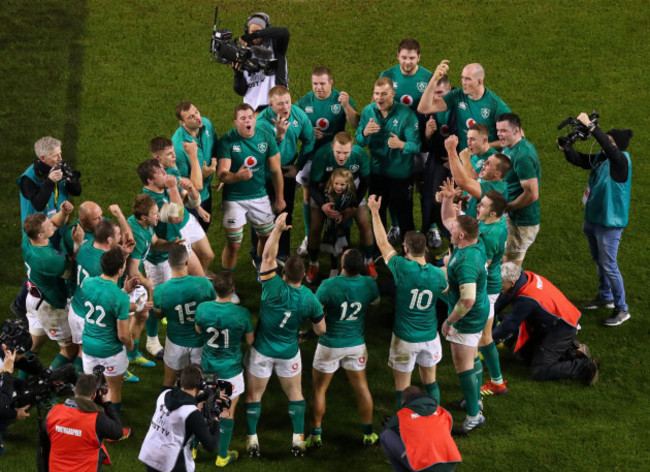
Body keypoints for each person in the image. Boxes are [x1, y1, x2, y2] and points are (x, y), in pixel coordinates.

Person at [243, 213, 325, 457]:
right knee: (295, 395)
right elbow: (321, 330)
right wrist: (306, 335)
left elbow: (267, 256)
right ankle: (298, 440)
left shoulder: (272, 286)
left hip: (262, 351)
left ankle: (252, 441)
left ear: (283, 273)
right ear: (302, 276)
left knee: (253, 395)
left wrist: (277, 229)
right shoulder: (310, 298)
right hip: (289, 352)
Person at [368, 195, 447, 408]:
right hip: (430, 336)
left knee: (401, 387)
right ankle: (434, 418)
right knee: (430, 381)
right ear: (426, 249)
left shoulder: (401, 268)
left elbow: (382, 243)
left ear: (405, 248)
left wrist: (375, 211)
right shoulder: (438, 275)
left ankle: (403, 425)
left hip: (405, 338)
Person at [559, 114, 632, 327]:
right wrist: (567, 149)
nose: (604, 145)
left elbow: (610, 150)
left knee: (609, 265)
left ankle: (622, 309)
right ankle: (605, 296)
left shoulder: (621, 161)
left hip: (610, 223)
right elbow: (581, 161)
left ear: (617, 146)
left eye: (609, 141)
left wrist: (592, 128)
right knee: (599, 260)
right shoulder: (603, 157)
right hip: (594, 218)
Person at [305, 248, 380, 448]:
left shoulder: (328, 285)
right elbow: (374, 304)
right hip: (356, 344)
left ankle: (316, 435)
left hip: (329, 345)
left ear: (342, 265)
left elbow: (316, 314)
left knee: (319, 389)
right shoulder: (369, 284)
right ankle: (368, 433)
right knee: (362, 388)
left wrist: (309, 333)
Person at [493, 262, 600, 385]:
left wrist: (483, 342)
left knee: (540, 371)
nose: (498, 286)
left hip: (560, 329)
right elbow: (501, 301)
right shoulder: (525, 278)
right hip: (554, 321)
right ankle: (571, 350)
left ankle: (585, 366)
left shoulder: (527, 298)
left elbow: (509, 326)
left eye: (500, 283)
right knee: (523, 355)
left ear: (512, 283)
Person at [440, 183, 490, 433]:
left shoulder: (467, 262)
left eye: (453, 230)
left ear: (461, 236)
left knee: (463, 365)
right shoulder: (473, 241)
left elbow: (467, 299)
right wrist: (449, 198)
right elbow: (450, 217)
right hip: (479, 310)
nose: (449, 230)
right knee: (471, 358)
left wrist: (450, 321)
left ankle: (473, 415)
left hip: (467, 318)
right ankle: (475, 400)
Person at [296, 65, 360, 255]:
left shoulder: (340, 99)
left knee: (341, 192)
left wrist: (347, 106)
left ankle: (339, 233)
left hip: (336, 156)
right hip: (312, 156)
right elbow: (295, 129)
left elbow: (356, 123)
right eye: (315, 83)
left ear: (331, 82)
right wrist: (307, 132)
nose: (319, 88)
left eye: (322, 83)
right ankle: (309, 236)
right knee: (308, 195)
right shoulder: (304, 102)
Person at [217, 103, 285, 277]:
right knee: (234, 244)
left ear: (254, 119)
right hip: (234, 198)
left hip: (259, 196)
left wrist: (279, 198)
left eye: (250, 117)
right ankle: (227, 283)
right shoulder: (227, 141)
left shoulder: (266, 137)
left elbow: (276, 170)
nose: (247, 121)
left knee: (266, 238)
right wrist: (237, 177)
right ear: (236, 122)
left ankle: (261, 268)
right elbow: (222, 175)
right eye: (243, 118)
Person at [195, 272, 254, 467]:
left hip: (209, 368)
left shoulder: (203, 309)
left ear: (215, 290)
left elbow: (198, 330)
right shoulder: (242, 313)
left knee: (203, 406)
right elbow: (250, 340)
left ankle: (194, 448)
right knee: (227, 411)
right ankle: (222, 456)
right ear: (233, 289)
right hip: (230, 371)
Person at [254, 85, 316, 262]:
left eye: (287, 102)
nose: (286, 107)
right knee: (264, 216)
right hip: (265, 174)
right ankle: (259, 257)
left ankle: (282, 252)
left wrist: (298, 166)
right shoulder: (262, 124)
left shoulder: (298, 115)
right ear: (271, 105)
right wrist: (279, 137)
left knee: (285, 212)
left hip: (288, 170)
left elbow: (309, 141)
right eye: (280, 104)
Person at [356, 78, 421, 237]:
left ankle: (410, 253)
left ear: (393, 94)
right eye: (376, 94)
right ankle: (379, 252)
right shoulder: (368, 111)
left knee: (405, 217)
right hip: (377, 174)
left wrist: (402, 145)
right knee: (377, 214)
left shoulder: (406, 115)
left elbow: (417, 145)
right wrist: (365, 133)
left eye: (384, 94)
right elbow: (359, 140)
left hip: (401, 176)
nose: (379, 98)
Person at [306, 132, 374, 282]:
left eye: (345, 153)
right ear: (332, 147)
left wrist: (354, 205)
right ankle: (313, 263)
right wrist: (323, 205)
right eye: (338, 152)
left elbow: (365, 181)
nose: (342, 157)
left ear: (352, 148)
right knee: (316, 226)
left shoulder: (360, 154)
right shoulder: (322, 155)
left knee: (364, 224)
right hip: (325, 188)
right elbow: (313, 185)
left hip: (351, 188)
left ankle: (369, 261)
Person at [79, 248, 134, 418]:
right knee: (114, 389)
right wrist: (131, 345)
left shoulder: (87, 284)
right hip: (111, 351)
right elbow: (123, 335)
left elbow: (103, 298)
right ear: (120, 270)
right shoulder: (120, 297)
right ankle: (114, 427)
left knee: (89, 388)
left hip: (88, 346)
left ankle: (86, 421)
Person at [22, 209, 80, 369]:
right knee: (70, 350)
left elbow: (55, 221)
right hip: (50, 307)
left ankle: (23, 386)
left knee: (33, 347)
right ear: (40, 235)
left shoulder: (27, 240)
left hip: (33, 298)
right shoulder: (48, 259)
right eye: (48, 225)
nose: (52, 224)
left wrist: (63, 212)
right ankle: (49, 386)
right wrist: (77, 244)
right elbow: (71, 271)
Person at [153, 245, 216, 390]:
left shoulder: (161, 291)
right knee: (207, 378)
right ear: (187, 262)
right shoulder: (204, 284)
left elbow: (158, 315)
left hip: (175, 342)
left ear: (169, 263)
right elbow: (213, 309)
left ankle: (167, 409)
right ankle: (206, 408)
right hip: (201, 342)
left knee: (169, 381)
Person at [139, 364, 222, 472]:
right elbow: (211, 445)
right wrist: (216, 422)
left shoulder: (164, 395)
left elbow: (183, 401)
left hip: (150, 452)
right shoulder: (192, 414)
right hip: (171, 462)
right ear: (201, 385)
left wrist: (205, 395)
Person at [418, 61, 511, 150]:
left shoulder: (495, 105)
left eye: (468, 79)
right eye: (462, 78)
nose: (463, 82)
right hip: (465, 160)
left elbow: (514, 138)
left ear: (479, 82)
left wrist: (484, 147)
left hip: (486, 162)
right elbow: (423, 108)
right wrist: (434, 79)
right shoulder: (457, 95)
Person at [40, 374, 124, 472]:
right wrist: (107, 404)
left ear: (75, 389)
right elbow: (118, 433)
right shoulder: (97, 419)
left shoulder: (53, 412)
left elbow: (43, 448)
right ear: (93, 396)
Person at [474, 191, 510, 396]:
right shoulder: (493, 224)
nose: (479, 206)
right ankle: (497, 381)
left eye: (484, 205)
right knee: (483, 336)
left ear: (494, 213)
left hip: (486, 288)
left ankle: (495, 383)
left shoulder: (489, 236)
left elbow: (481, 268)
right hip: (490, 286)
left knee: (482, 338)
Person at [380, 386, 461, 472]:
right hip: (450, 462)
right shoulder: (443, 412)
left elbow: (385, 430)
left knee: (386, 435)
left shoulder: (402, 415)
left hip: (423, 467)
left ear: (404, 402)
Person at [496, 113, 541, 266]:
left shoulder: (522, 155)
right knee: (505, 260)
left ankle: (513, 290)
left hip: (522, 220)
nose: (499, 134)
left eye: (503, 131)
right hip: (514, 215)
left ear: (516, 131)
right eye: (498, 130)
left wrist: (508, 207)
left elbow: (532, 194)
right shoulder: (510, 147)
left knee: (510, 269)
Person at [171, 103, 218, 231]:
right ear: (182, 122)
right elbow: (186, 185)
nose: (198, 117)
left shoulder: (206, 124)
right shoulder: (179, 149)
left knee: (204, 227)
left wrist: (221, 173)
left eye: (197, 112)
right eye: (191, 117)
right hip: (190, 200)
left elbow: (216, 148)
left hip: (206, 191)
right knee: (190, 235)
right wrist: (206, 174)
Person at [444, 134, 510, 219]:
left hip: (482, 231)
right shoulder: (484, 179)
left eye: (488, 163)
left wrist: (452, 150)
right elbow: (468, 196)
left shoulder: (497, 190)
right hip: (469, 226)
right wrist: (457, 199)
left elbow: (462, 181)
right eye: (486, 161)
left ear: (497, 174)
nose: (483, 163)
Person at [233, 12, 289, 111]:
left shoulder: (276, 47)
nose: (255, 36)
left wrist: (255, 35)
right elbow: (241, 91)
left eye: (258, 32)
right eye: (252, 32)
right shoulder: (243, 53)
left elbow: (284, 32)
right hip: (253, 113)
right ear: (247, 31)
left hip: (276, 108)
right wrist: (238, 74)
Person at [18, 136, 81, 223]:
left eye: (60, 154)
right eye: (56, 156)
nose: (60, 159)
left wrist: (71, 179)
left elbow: (77, 192)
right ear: (43, 158)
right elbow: (38, 205)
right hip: (38, 231)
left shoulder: (58, 167)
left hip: (59, 225)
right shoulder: (28, 178)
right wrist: (50, 182)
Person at [379, 38, 433, 111]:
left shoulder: (429, 77)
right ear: (398, 56)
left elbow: (434, 105)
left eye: (412, 58)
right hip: (392, 120)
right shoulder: (387, 75)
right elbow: (376, 103)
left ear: (418, 57)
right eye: (404, 58)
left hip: (420, 121)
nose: (407, 62)